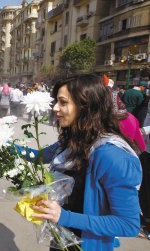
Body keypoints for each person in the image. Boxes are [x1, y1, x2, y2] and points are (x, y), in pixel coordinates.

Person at [26, 74, 142, 250]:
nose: (55, 108)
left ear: (86, 106)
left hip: (87, 244)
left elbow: (128, 224)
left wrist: (64, 217)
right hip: (62, 238)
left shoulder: (110, 155)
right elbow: (40, 156)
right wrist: (1, 144)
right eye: (56, 101)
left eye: (63, 102)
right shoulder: (74, 140)